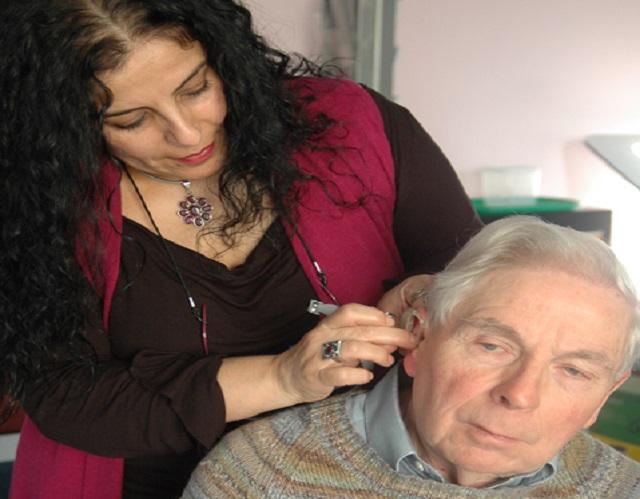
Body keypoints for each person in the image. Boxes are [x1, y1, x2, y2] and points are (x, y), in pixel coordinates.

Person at [0, 0, 481, 497]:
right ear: (63, 124)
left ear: (224, 59)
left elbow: (475, 271)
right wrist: (282, 377)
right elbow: (65, 396)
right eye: (130, 121)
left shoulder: (353, 126)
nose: (187, 134)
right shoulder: (39, 202)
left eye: (196, 89)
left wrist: (435, 294)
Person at [184, 216, 640, 499]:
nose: (520, 395)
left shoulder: (624, 490)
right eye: (492, 346)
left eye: (574, 371)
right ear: (417, 336)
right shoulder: (259, 475)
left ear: (605, 396)